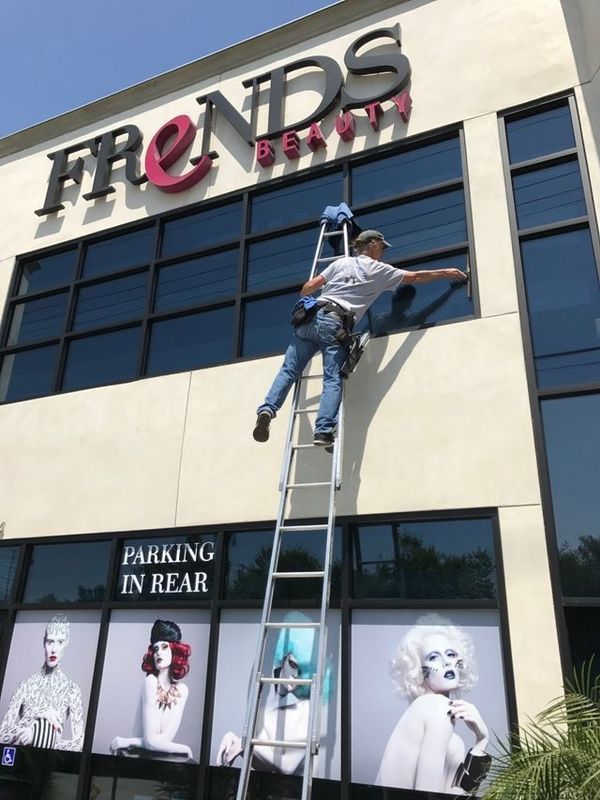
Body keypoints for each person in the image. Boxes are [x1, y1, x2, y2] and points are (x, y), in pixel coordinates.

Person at [253, 229, 467, 447]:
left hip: (309, 318)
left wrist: (333, 286)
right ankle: (323, 431)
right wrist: (446, 272)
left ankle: (267, 410)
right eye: (382, 248)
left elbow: (307, 290)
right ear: (373, 245)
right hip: (335, 323)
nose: (382, 253)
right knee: (332, 379)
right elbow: (415, 277)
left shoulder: (341, 263)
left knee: (289, 370)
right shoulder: (379, 269)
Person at [376, 614, 491, 795]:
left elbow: (463, 792)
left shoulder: (430, 713)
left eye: (451, 654)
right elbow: (427, 794)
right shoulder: (438, 708)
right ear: (417, 670)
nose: (446, 662)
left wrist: (481, 740)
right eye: (433, 657)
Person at [217, 616, 330, 775]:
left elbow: (287, 766)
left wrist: (244, 744)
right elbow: (263, 763)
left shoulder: (306, 709)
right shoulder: (266, 710)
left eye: (303, 670)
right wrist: (236, 740)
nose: (296, 675)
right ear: (282, 659)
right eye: (292, 664)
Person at [110, 619, 193, 760]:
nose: (159, 653)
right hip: (136, 759)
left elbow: (165, 740)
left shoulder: (182, 690)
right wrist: (186, 749)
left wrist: (129, 741)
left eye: (164, 647)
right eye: (156, 649)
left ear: (175, 651)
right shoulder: (150, 682)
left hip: (159, 758)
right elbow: (151, 743)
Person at [0, 613, 84, 750]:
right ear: (43, 642)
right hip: (20, 757)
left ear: (66, 643)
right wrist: (38, 712)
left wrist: (38, 736)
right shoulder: (25, 686)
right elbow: (2, 734)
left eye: (60, 642)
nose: (54, 649)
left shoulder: (72, 690)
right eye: (50, 641)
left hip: (51, 761)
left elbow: (79, 744)